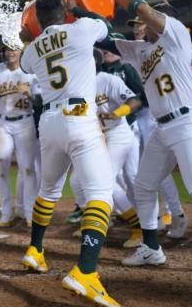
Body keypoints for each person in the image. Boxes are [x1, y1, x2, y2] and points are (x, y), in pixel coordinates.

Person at [20, 0, 120, 307]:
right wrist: (76, 8)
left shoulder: (32, 48)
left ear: (38, 20)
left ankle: (35, 250)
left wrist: (32, 34)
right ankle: (85, 272)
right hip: (79, 117)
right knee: (101, 194)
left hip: (49, 122)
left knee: (48, 189)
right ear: (63, 13)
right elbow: (107, 28)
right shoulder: (81, 28)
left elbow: (26, 61)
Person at [97, 0, 192, 267]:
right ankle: (151, 248)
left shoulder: (177, 35)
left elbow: (145, 11)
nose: (144, 23)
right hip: (162, 127)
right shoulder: (140, 49)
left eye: (154, 17)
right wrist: (85, 13)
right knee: (144, 186)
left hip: (186, 120)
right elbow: (106, 39)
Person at [70, 49, 143, 248]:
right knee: (77, 180)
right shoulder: (77, 85)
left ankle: (138, 228)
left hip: (118, 134)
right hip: (97, 137)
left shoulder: (107, 79)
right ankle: (98, 221)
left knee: (105, 181)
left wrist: (118, 112)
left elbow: (135, 100)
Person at [126, 17, 187, 237]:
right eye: (134, 25)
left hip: (160, 111)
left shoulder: (159, 47)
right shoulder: (136, 50)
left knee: (172, 173)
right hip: (146, 114)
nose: (137, 28)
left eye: (140, 24)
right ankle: (162, 216)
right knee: (149, 172)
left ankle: (174, 212)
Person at [0, 44, 40, 227]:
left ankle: (30, 212)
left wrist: (29, 93)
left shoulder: (31, 71)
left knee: (28, 168)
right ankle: (6, 211)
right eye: (7, 49)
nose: (10, 52)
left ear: (21, 51)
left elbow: (40, 101)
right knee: (1, 166)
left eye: (14, 49)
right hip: (1, 122)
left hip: (25, 122)